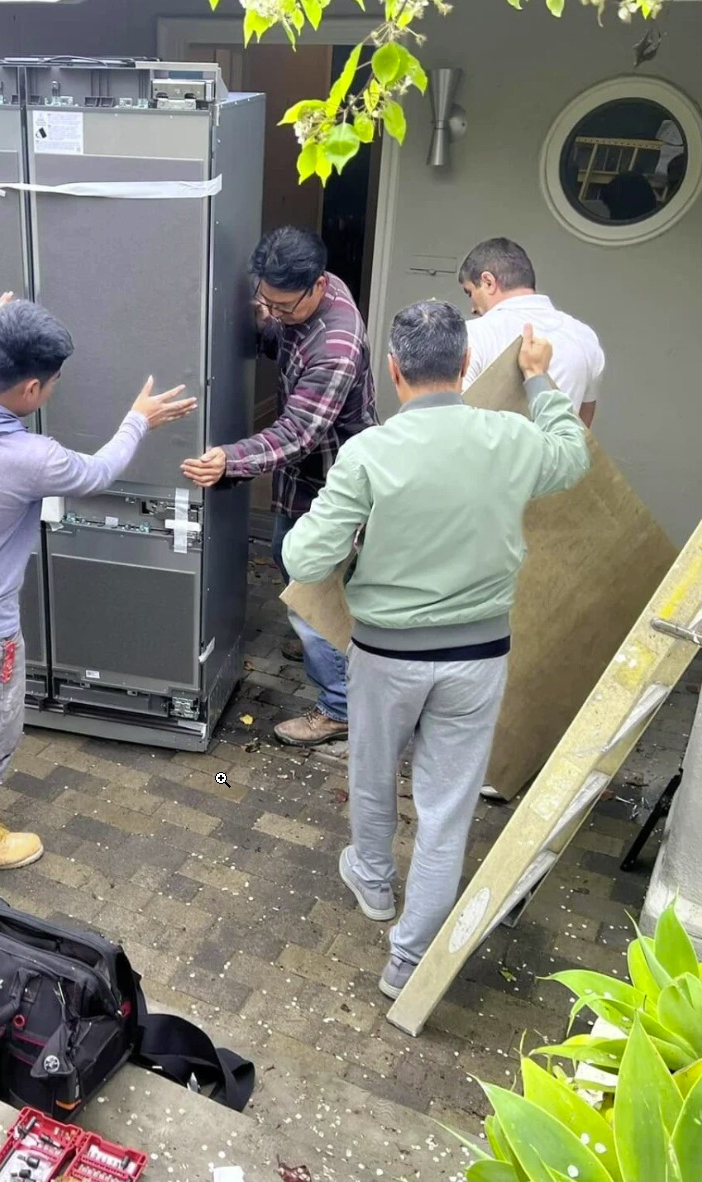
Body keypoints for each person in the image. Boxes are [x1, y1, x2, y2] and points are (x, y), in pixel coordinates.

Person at [280, 301, 591, 998]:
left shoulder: (370, 453)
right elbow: (572, 458)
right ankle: (409, 964)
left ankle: (373, 881)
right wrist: (539, 381)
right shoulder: (510, 439)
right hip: (479, 655)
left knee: (373, 770)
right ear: (464, 367)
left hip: (387, 656)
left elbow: (306, 558)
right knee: (447, 808)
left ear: (393, 371)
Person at [0, 294, 196, 870]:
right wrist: (140, 418)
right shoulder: (27, 456)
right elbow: (99, 471)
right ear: (32, 389)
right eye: (54, 381)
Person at [181, 226, 378, 748]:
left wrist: (230, 459)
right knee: (290, 562)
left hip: (334, 483)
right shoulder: (302, 300)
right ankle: (322, 636)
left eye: (283, 306)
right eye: (265, 299)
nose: (274, 312)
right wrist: (253, 321)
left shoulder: (335, 343)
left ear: (316, 287)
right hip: (303, 479)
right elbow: (276, 333)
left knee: (310, 580)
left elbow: (297, 434)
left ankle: (339, 706)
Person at [459, 237, 605, 428]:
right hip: (560, 454)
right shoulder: (585, 337)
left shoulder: (473, 334)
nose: (473, 308)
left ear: (488, 282)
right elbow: (582, 426)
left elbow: (456, 422)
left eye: (470, 292)